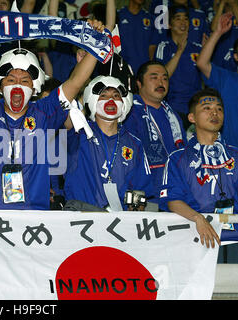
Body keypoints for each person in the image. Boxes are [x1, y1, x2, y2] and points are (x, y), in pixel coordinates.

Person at [0, 16, 106, 210]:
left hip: (32, 217)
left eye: (25, 80)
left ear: (35, 88)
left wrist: (96, 41)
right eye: (11, 79)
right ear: (0, 86)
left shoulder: (45, 112)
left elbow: (76, 81)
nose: (18, 84)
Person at [159, 88, 237, 249]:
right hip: (196, 238)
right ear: (192, 117)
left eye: (219, 109)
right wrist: (198, 218)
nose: (214, 113)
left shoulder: (235, 155)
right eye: (207, 108)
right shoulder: (177, 158)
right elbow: (173, 200)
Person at [64, 76, 153, 211]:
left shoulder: (135, 144)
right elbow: (67, 116)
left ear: (124, 102)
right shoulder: (79, 132)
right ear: (92, 100)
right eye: (103, 96)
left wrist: (135, 209)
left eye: (116, 96)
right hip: (81, 216)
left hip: (119, 221)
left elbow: (140, 187)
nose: (111, 100)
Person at [123, 60, 187, 206]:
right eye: (154, 77)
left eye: (165, 78)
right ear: (139, 83)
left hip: (176, 192)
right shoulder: (129, 113)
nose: (161, 82)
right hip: (146, 195)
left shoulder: (173, 115)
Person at [154, 4, 203, 126]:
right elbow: (162, 77)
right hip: (174, 108)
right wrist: (180, 50)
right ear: (169, 25)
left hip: (196, 109)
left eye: (186, 18)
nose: (183, 22)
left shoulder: (198, 48)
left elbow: (206, 78)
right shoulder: (163, 47)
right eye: (178, 18)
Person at [196, 12, 238, 148]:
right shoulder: (227, 79)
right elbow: (202, 63)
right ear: (236, 57)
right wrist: (218, 32)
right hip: (230, 155)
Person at [117, 0, 155, 74]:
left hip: (143, 72)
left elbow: (152, 47)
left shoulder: (150, 18)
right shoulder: (119, 15)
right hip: (121, 70)